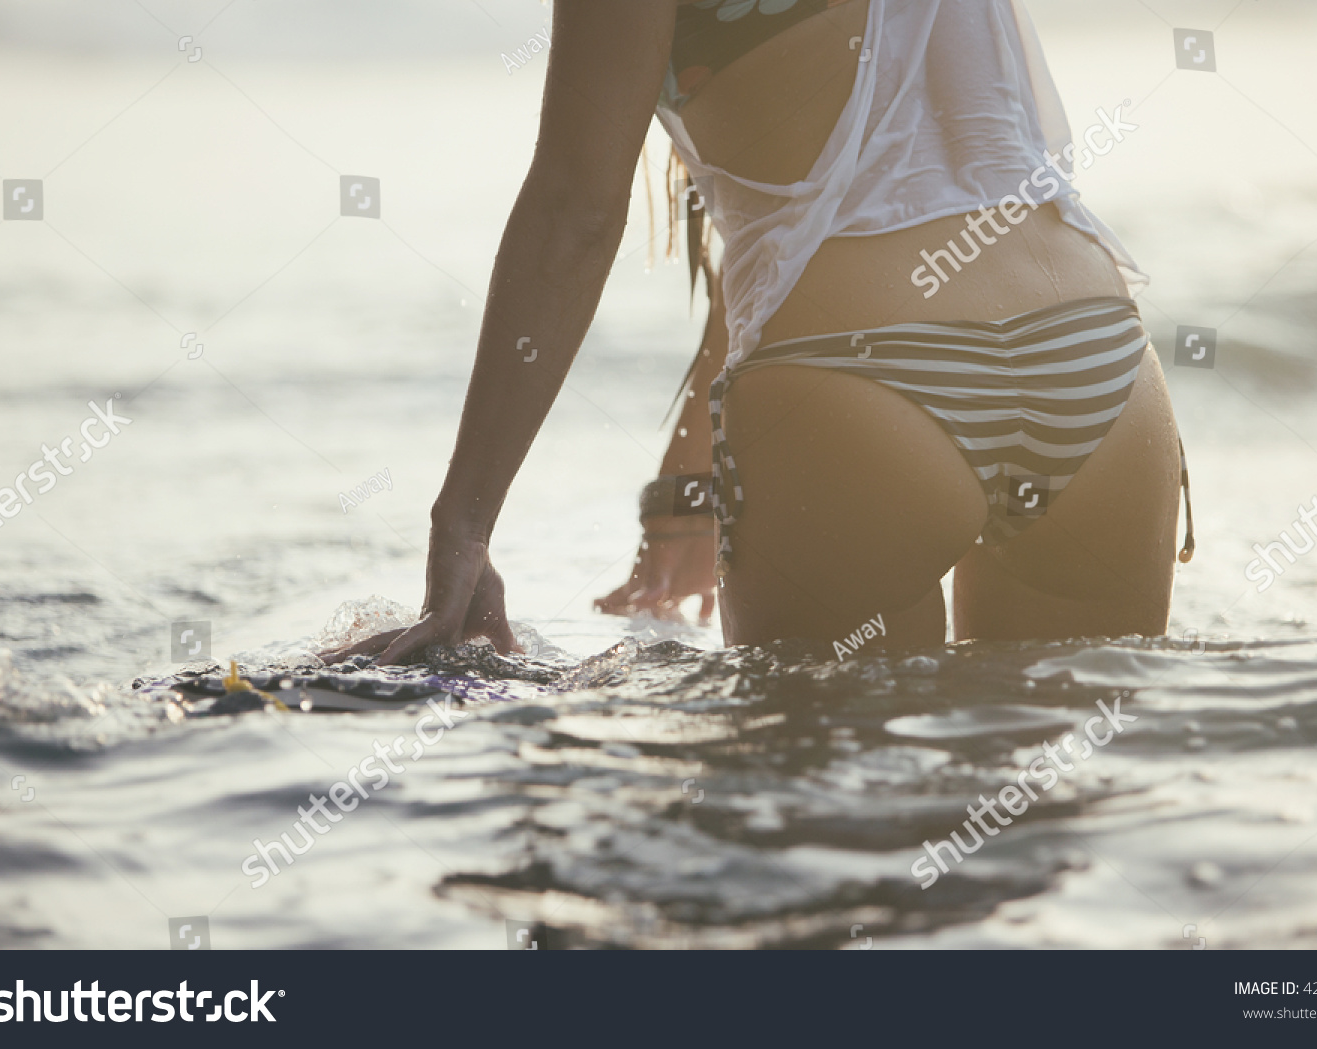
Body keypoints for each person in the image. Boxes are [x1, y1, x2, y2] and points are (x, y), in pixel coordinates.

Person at [325, 0, 1192, 667]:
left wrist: (466, 519)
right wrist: (690, 480)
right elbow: (835, 196)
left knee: (822, 865)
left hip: (856, 380)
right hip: (1099, 360)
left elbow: (573, 213)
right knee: (1039, 846)